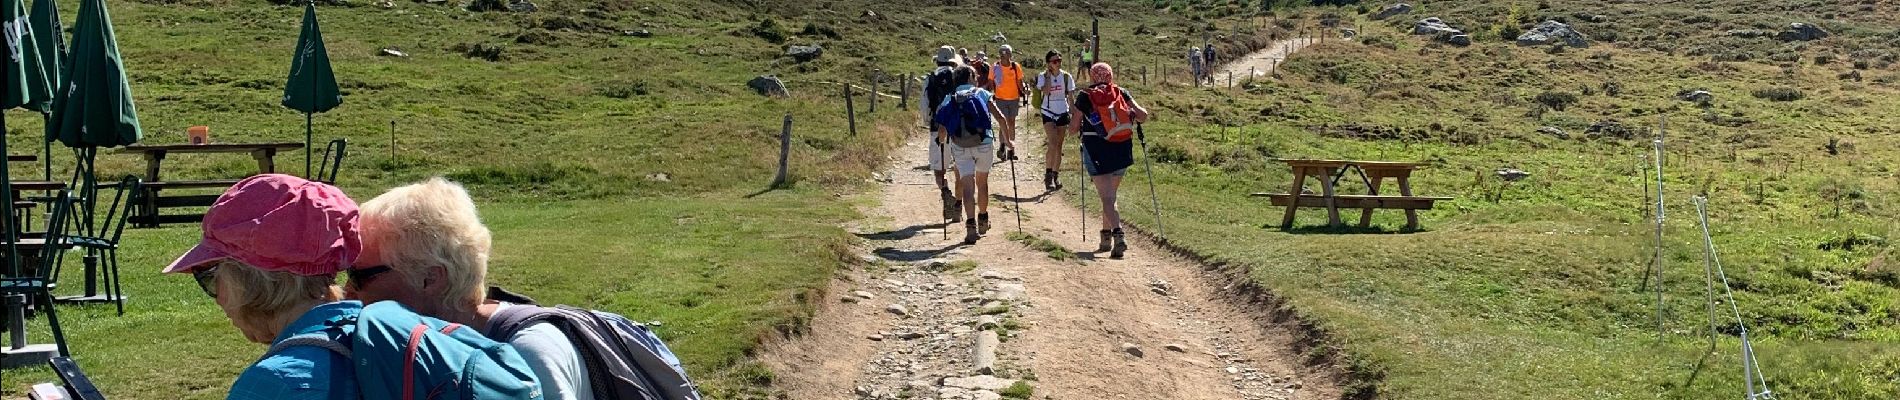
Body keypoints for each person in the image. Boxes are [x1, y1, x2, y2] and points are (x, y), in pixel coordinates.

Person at [348, 178, 595, 400]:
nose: (347, 290)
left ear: (429, 278)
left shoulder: (530, 354)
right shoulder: (430, 346)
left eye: (358, 276)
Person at [160, 174, 366, 400]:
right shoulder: (383, 340)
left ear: (248, 278)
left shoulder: (273, 382)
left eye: (209, 277)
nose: (217, 298)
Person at [1070, 63, 1150, 258]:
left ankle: (1118, 234)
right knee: (1110, 195)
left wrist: (1072, 126)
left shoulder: (1085, 95)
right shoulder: (1121, 92)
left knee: (1106, 197)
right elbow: (1143, 116)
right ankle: (1106, 238)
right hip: (1122, 147)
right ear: (1110, 75)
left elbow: (1073, 128)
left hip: (1096, 148)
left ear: (1092, 76)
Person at [934, 65, 1011, 244]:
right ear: (969, 77)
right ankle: (983, 219)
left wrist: (942, 141)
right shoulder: (981, 94)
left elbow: (942, 129)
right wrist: (1008, 141)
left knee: (968, 186)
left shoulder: (949, 98)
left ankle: (970, 226)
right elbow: (1000, 118)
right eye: (974, 75)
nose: (976, 78)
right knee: (982, 183)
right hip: (983, 143)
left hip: (960, 145)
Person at [923, 46, 964, 222]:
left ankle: (945, 192)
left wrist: (928, 122)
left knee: (940, 170)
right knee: (960, 168)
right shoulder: (959, 77)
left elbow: (924, 105)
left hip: (937, 127)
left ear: (937, 61)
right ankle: (958, 205)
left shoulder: (930, 79)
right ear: (953, 61)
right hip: (958, 129)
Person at [1034, 50, 1077, 191]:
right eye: (1054, 61)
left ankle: (1055, 175)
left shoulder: (1066, 76)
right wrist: (1047, 77)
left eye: (1059, 60)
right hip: (1048, 111)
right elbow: (1045, 91)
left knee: (1059, 145)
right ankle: (1048, 176)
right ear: (1048, 63)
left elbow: (1070, 97)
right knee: (1052, 142)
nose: (1058, 63)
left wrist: (1074, 114)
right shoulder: (1042, 76)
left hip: (1062, 111)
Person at [987, 44, 1030, 162]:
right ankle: (1003, 145)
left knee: (1011, 123)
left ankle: (1011, 149)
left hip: (1014, 98)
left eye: (1006, 55)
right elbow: (990, 81)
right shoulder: (995, 67)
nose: (1004, 57)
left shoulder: (1016, 66)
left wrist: (1024, 91)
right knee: (1003, 122)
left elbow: (1019, 81)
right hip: (1000, 98)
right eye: (1002, 55)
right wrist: (991, 93)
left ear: (1010, 55)